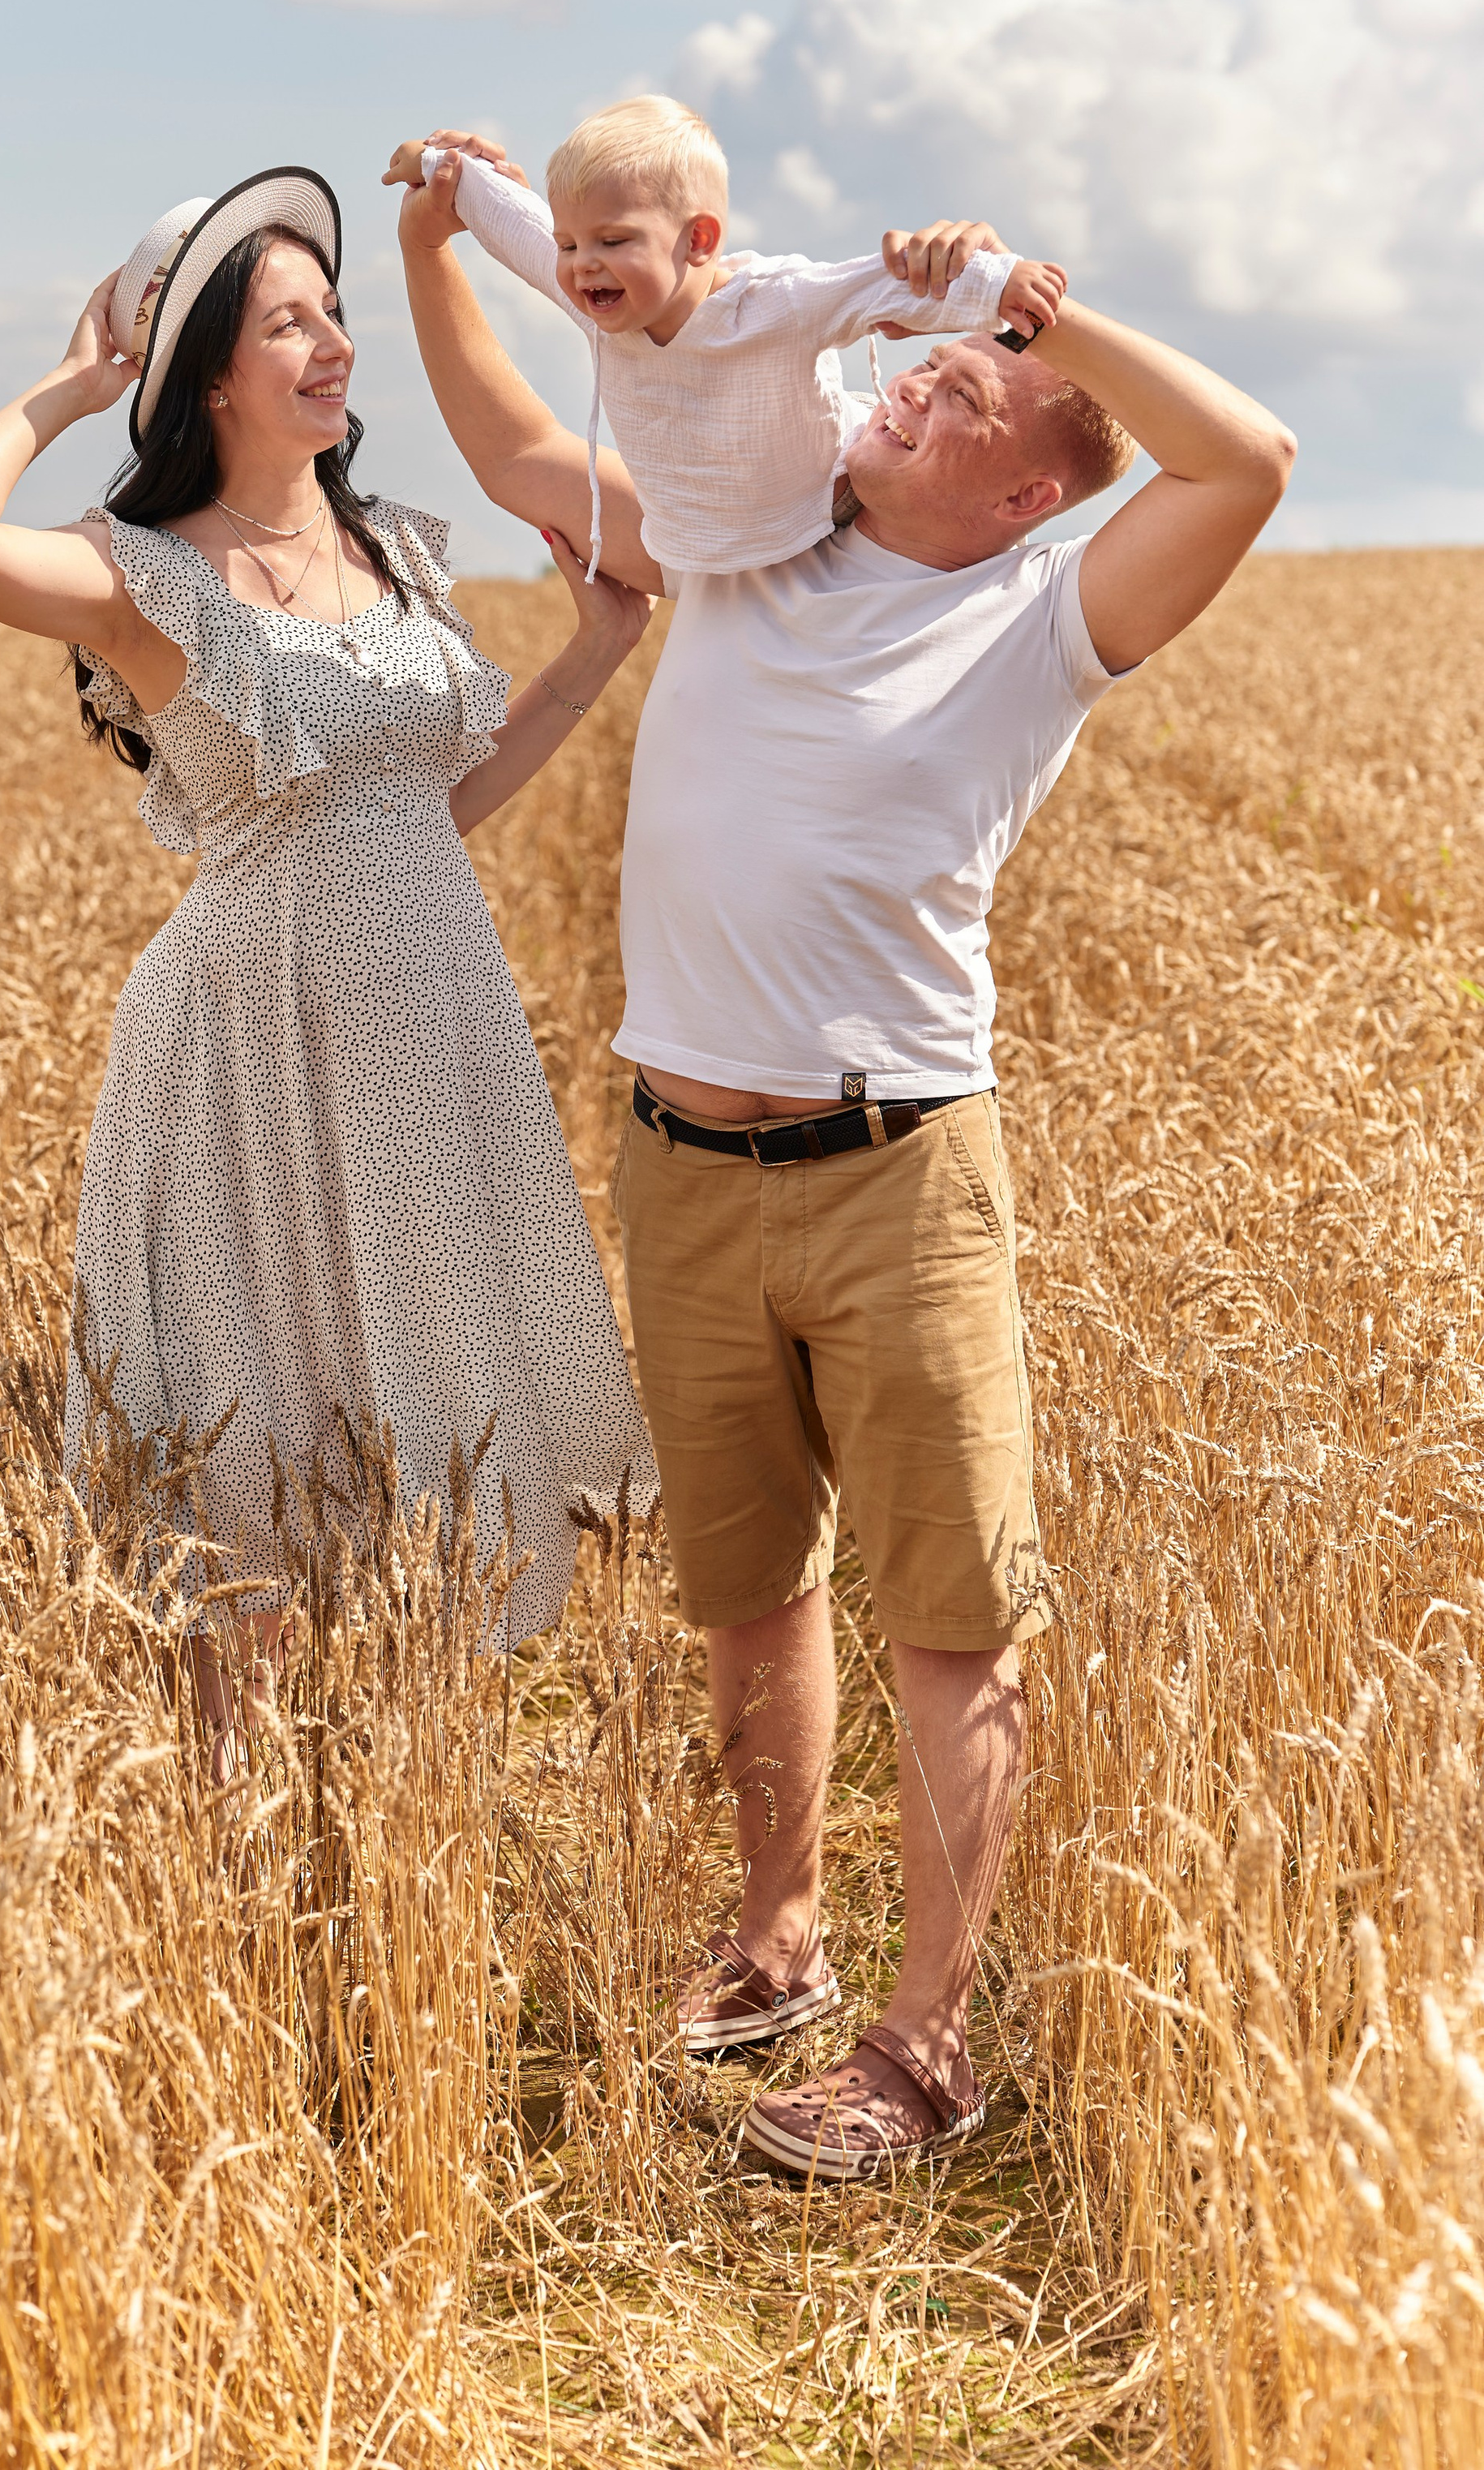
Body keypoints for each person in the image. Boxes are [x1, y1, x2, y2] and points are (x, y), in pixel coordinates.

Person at [396, 156, 1296, 2178]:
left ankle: (923, 2042)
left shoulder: (1038, 618)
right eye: (925, 362)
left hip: (898, 1172)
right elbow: (524, 442)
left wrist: (1027, 307)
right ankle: (778, 1938)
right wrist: (434, 242)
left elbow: (1242, 458)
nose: (916, 381)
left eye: (972, 393)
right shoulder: (733, 541)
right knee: (745, 1591)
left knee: (949, 1615)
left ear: (1028, 491)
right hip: (679, 1160)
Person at [0, 165, 658, 1728]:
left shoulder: (393, 552)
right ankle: (239, 1870)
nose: (331, 345)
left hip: (433, 1029)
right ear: (209, 376)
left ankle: (396, 1831)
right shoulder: (146, 573)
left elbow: (427, 807)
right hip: (256, 1041)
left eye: (335, 313)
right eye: (285, 322)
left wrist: (586, 663)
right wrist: (71, 384)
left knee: (431, 1433)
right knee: (262, 1467)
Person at [383, 102, 1066, 579]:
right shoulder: (597, 300)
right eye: (571, 242)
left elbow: (874, 283)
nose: (581, 262)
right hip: (696, 540)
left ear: (700, 240)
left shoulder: (774, 303)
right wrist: (433, 162)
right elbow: (512, 220)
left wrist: (1001, 279)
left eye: (613, 240)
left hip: (820, 501)